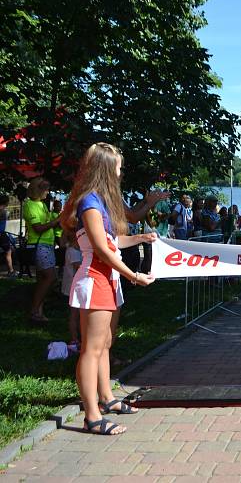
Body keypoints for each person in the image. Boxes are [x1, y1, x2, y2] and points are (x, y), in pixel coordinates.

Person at [61, 142, 157, 436]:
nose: (120, 170)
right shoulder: (89, 202)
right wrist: (133, 275)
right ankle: (92, 415)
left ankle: (107, 398)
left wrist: (141, 237)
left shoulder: (100, 201)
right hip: (96, 278)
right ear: (105, 167)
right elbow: (102, 251)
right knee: (91, 350)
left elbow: (113, 242)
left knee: (105, 345)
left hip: (108, 279)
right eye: (117, 165)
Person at [23, 177, 60, 323]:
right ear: (38, 190)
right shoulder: (31, 205)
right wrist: (56, 221)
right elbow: (38, 228)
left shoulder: (41, 204)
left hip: (47, 244)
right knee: (51, 278)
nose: (48, 192)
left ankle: (38, 312)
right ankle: (34, 310)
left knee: (42, 280)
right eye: (46, 189)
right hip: (40, 245)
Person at [61, 237, 82, 347]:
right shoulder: (73, 251)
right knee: (74, 314)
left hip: (76, 286)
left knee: (78, 313)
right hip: (73, 288)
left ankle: (79, 335)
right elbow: (79, 267)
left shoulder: (76, 250)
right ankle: (74, 338)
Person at [0, 194, 17, 277]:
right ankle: (11, 271)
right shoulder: (3, 212)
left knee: (8, 251)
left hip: (2, 234)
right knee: (8, 252)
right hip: (1, 234)